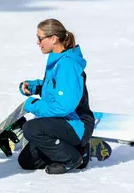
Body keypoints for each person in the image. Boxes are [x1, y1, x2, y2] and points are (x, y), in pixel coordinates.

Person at [17, 18, 95, 174]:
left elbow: (63, 106)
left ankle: (72, 158)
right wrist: (35, 87)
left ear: (53, 38)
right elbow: (56, 87)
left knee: (31, 129)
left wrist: (33, 105)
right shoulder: (57, 60)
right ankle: (77, 150)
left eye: (40, 38)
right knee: (26, 161)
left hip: (76, 124)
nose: (38, 42)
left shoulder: (68, 64)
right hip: (63, 121)